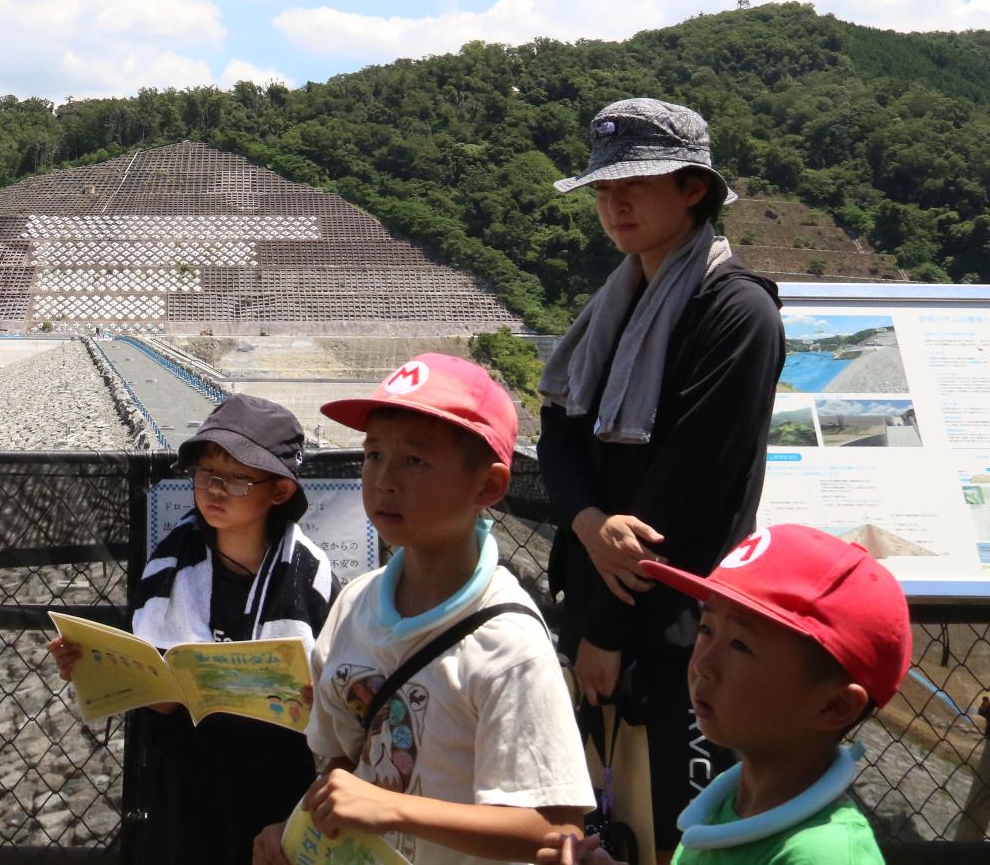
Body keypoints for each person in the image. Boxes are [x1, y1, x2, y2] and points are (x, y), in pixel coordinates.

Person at [537, 98, 787, 861]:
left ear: (693, 189)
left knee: (680, 831)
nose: (614, 203)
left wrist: (607, 632)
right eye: (604, 188)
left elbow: (688, 487)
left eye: (636, 184)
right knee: (617, 835)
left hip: (680, 633)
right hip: (602, 612)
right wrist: (584, 521)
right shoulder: (615, 305)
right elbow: (557, 431)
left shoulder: (736, 310)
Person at [254, 354, 592, 865]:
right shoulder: (355, 604)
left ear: (489, 486)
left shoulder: (509, 646)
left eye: (415, 460)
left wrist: (393, 810)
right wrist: (297, 831)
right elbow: (342, 763)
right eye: (373, 455)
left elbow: (556, 829)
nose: (384, 480)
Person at [48, 395, 334, 864]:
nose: (216, 490)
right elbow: (160, 694)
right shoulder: (170, 561)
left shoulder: (310, 576)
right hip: (183, 779)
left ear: (279, 491)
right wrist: (91, 664)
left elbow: (333, 701)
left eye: (238, 478)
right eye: (206, 473)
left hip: (275, 782)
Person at [542, 524, 910, 865]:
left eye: (739, 644)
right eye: (705, 628)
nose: (702, 662)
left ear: (835, 706)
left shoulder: (824, 854)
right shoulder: (726, 806)